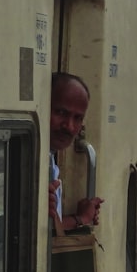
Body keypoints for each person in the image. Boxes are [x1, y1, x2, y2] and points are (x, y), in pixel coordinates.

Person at [49, 72, 104, 231]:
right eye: (61, 113)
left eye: (78, 118)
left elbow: (50, 227)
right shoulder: (27, 161)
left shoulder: (50, 160)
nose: (70, 126)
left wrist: (80, 218)